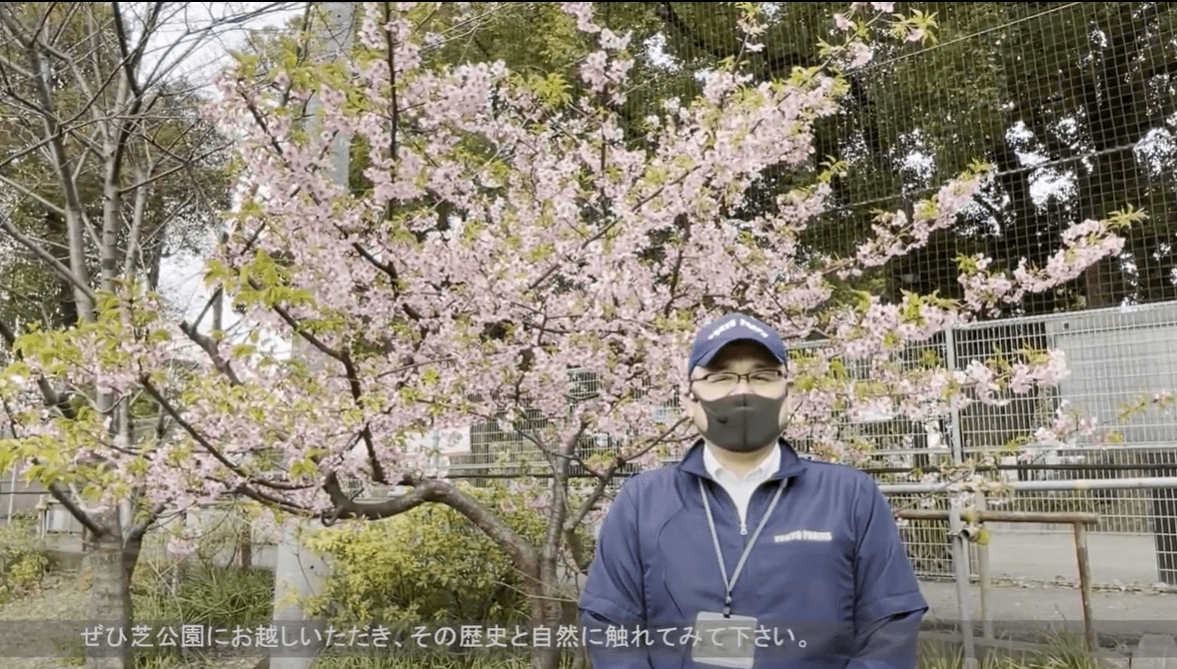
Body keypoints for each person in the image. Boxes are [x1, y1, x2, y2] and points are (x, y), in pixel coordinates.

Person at [578, 313, 928, 668]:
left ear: (788, 394)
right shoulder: (642, 501)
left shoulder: (851, 496)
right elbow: (610, 622)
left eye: (762, 376)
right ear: (689, 398)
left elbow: (890, 622)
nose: (742, 391)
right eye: (720, 377)